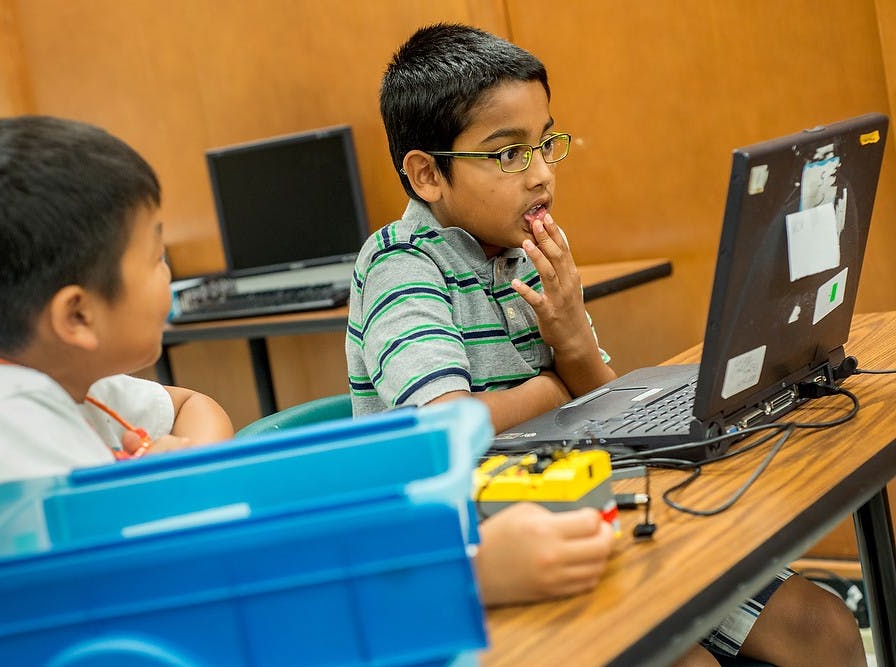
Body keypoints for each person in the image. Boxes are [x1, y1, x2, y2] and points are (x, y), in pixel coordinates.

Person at [347, 23, 866, 666]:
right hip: (484, 559)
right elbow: (441, 429)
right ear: (428, 175)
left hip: (586, 509)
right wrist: (549, 386)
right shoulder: (400, 265)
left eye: (545, 144)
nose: (540, 175)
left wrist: (573, 345)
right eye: (508, 154)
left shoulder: (520, 253)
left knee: (826, 628)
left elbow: (605, 404)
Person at [0, 115, 235, 667]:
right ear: (77, 314)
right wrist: (165, 481)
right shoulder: (0, 416)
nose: (168, 276)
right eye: (155, 258)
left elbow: (196, 406)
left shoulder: (54, 379)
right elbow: (138, 577)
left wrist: (191, 458)